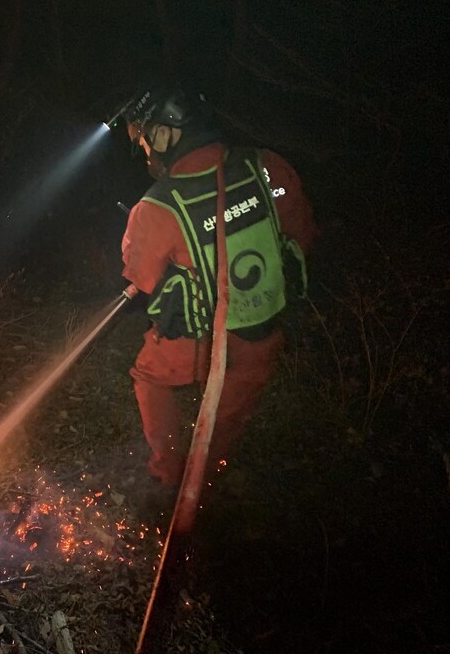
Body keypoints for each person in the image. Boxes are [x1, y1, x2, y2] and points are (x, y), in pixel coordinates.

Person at [119, 85, 318, 498]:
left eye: (144, 141)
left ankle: (168, 471)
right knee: (231, 407)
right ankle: (209, 471)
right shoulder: (267, 166)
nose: (145, 154)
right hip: (265, 328)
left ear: (164, 134)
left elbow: (140, 277)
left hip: (201, 343)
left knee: (149, 376)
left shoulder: (156, 207)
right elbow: (301, 233)